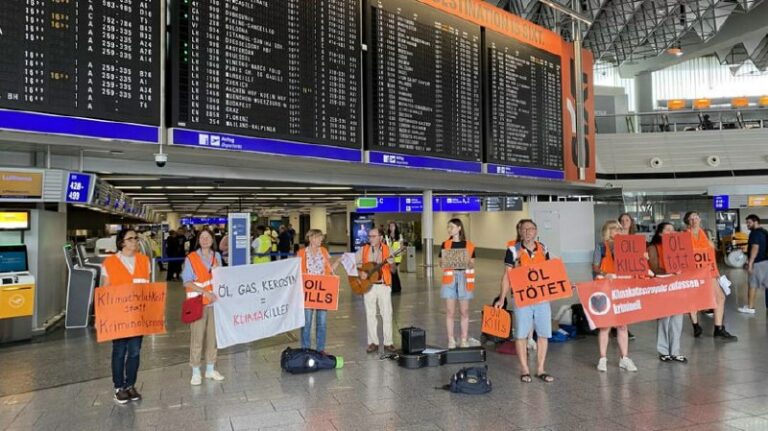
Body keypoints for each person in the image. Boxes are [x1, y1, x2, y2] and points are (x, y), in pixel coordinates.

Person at [495, 219, 554, 383]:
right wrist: (502, 298)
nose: (528, 231)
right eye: (525, 229)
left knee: (543, 334)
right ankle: (525, 369)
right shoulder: (513, 250)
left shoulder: (544, 248)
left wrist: (561, 286)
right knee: (521, 334)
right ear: (520, 231)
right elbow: (507, 276)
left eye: (532, 228)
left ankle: (541, 369)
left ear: (536, 231)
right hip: (522, 297)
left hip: (542, 297)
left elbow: (550, 272)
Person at [100, 228, 151, 404]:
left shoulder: (145, 261)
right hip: (118, 317)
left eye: (136, 238)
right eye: (131, 239)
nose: (135, 241)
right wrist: (102, 316)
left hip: (138, 316)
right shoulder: (110, 262)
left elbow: (148, 289)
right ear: (122, 242)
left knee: (135, 352)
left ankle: (130, 385)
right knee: (120, 351)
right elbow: (105, 289)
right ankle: (119, 387)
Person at [592, 220, 638, 372]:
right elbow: (595, 267)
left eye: (618, 228)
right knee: (605, 325)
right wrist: (606, 274)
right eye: (613, 229)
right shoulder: (600, 247)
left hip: (622, 287)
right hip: (605, 287)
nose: (617, 231)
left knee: (623, 325)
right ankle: (602, 358)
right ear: (607, 231)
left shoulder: (626, 246)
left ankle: (624, 357)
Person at [685, 211, 737, 340]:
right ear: (687, 222)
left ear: (700, 219)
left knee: (720, 297)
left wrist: (717, 273)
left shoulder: (705, 234)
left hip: (708, 271)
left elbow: (711, 256)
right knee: (694, 300)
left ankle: (718, 328)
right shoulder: (684, 236)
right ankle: (696, 325)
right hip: (693, 273)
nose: (694, 220)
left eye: (696, 217)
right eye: (691, 219)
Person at [182, 229, 225, 385]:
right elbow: (187, 281)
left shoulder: (216, 256)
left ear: (212, 240)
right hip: (198, 304)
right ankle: (195, 371)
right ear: (198, 240)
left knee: (213, 338)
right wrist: (205, 293)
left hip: (214, 304)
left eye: (208, 237)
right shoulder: (191, 258)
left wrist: (219, 268)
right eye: (202, 237)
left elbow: (221, 278)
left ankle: (210, 369)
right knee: (197, 338)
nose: (205, 240)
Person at [648, 222, 687, 363]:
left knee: (677, 319)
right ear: (660, 233)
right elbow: (654, 268)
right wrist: (671, 272)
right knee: (664, 319)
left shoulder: (679, 248)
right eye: (668, 230)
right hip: (662, 285)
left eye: (673, 229)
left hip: (677, 285)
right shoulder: (653, 248)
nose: (672, 232)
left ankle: (675, 351)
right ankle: (663, 350)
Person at [297, 229, 340, 354]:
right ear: (310, 238)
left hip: (322, 292)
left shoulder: (324, 252)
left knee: (322, 322)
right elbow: (296, 272)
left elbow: (330, 270)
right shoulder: (301, 253)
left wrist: (337, 262)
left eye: (321, 238)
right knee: (307, 322)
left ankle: (320, 349)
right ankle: (305, 348)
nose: (320, 240)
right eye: (318, 238)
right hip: (308, 293)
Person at [356, 227, 396, 353]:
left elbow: (394, 270)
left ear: (381, 237)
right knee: (370, 314)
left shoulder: (388, 249)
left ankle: (388, 342)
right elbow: (354, 265)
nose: (371, 239)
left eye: (373, 236)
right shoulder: (363, 250)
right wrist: (360, 273)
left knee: (387, 314)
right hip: (369, 286)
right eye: (369, 236)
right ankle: (373, 342)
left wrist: (391, 263)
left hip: (383, 285)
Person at [440, 219, 476, 349]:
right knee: (450, 311)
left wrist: (465, 261)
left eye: (452, 227)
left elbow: (472, 262)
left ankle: (464, 338)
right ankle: (451, 339)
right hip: (450, 279)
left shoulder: (469, 245)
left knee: (464, 311)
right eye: (448, 227)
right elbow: (441, 262)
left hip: (464, 279)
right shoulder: (445, 244)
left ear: (459, 228)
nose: (449, 229)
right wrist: (445, 261)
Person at [738, 215, 768, 313]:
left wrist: (750, 263)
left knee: (752, 285)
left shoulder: (754, 233)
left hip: (758, 262)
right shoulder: (764, 232)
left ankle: (750, 308)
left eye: (749, 222)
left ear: (755, 222)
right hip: (766, 261)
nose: (747, 225)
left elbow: (755, 247)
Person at [384, 221, 404, 294]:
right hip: (390, 256)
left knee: (393, 271)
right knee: (393, 272)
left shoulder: (399, 236)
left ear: (395, 227)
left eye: (393, 226)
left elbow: (401, 246)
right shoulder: (387, 236)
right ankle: (397, 287)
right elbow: (386, 246)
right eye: (390, 226)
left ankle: (396, 287)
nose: (392, 227)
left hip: (397, 256)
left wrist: (397, 252)